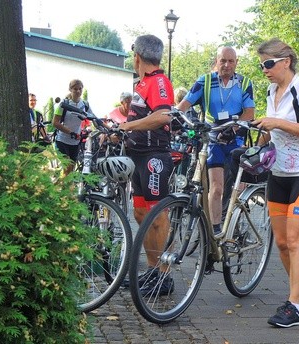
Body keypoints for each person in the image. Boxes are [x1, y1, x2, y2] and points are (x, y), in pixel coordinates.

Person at [253, 38, 299, 328]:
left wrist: (277, 123)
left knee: (295, 240)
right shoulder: (271, 90)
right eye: (261, 65)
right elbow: (273, 129)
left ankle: (294, 307)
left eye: (268, 64)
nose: (265, 70)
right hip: (278, 175)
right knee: (281, 242)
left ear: (286, 61)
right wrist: (260, 139)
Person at [175, 46, 255, 236]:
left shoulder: (244, 83)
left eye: (231, 61)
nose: (226, 65)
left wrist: (234, 128)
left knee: (236, 189)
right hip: (214, 137)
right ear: (216, 61)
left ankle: (235, 224)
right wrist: (176, 117)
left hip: (235, 138)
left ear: (236, 63)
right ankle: (215, 231)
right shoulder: (205, 81)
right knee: (216, 187)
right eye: (223, 60)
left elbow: (250, 112)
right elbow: (183, 105)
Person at [118, 34, 176, 295]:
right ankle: (153, 270)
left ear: (137, 57)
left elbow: (163, 115)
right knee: (141, 214)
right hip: (137, 155)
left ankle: (164, 274)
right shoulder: (141, 84)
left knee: (157, 215)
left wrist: (129, 125)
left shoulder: (159, 81)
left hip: (154, 156)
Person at [53, 79, 94, 175]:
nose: (78, 91)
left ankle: (60, 187)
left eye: (80, 89)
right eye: (75, 89)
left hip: (75, 142)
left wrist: (108, 128)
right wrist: (70, 132)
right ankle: (63, 189)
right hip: (62, 140)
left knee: (70, 172)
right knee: (67, 168)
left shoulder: (84, 105)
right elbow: (55, 122)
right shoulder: (64, 104)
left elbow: (93, 118)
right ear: (70, 90)